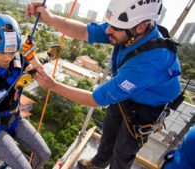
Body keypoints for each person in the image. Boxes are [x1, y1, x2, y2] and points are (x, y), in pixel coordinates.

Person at [26, 0, 181, 169]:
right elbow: (85, 32)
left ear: (141, 26)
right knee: (109, 131)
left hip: (148, 106)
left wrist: (53, 85)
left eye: (115, 28)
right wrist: (49, 18)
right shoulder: (129, 29)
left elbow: (95, 99)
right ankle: (98, 164)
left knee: (124, 149)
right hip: (129, 91)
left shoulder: (150, 62)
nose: (108, 30)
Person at [0, 14, 51, 169]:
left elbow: (42, 75)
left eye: (11, 53)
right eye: (2, 52)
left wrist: (32, 58)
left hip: (16, 118)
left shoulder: (18, 61)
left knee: (45, 154)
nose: (7, 57)